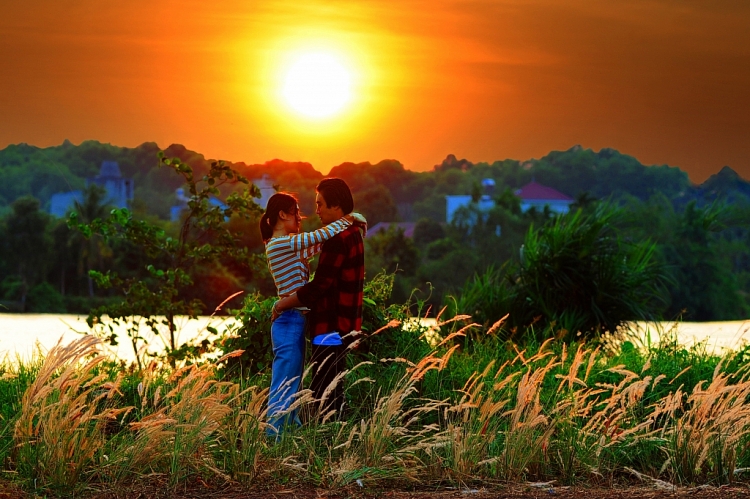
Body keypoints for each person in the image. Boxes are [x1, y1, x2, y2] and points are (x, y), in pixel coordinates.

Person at [260, 191, 362, 436]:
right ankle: (273, 437)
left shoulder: (290, 247)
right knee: (284, 382)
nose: (301, 216)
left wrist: (348, 223)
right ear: (282, 214)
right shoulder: (280, 244)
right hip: (288, 320)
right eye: (295, 211)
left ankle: (288, 435)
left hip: (295, 320)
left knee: (292, 382)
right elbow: (321, 235)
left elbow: (320, 243)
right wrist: (350, 218)